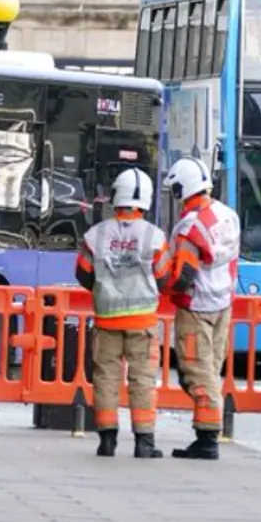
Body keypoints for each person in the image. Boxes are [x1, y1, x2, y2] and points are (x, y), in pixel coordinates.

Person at [75, 168, 171, 459]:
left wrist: (105, 289)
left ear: (116, 196)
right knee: (143, 380)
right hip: (142, 322)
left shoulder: (96, 234)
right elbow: (164, 277)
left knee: (105, 378)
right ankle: (144, 443)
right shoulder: (154, 236)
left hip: (106, 320)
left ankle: (107, 440)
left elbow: (83, 273)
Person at [162, 156, 242, 461]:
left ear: (181, 188)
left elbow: (182, 275)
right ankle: (206, 432)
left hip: (196, 306)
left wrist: (161, 284)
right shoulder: (227, 215)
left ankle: (208, 438)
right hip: (223, 303)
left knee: (196, 371)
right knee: (210, 370)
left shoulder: (190, 226)